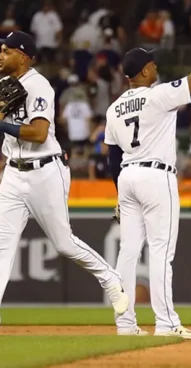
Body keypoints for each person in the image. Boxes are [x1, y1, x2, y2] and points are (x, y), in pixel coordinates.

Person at [105, 11, 191, 338]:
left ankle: (125, 324)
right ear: (144, 72)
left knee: (127, 253)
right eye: (152, 63)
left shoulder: (113, 107)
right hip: (156, 177)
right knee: (161, 251)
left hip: (127, 178)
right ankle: (166, 323)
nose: (156, 67)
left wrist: (118, 193)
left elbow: (111, 157)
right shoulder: (158, 95)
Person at [0, 32, 129, 319]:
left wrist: (3, 126)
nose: (1, 55)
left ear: (22, 56)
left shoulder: (39, 86)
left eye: (7, 51)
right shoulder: (3, 85)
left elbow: (39, 132)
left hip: (45, 170)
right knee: (2, 246)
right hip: (12, 172)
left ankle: (110, 278)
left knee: (63, 243)